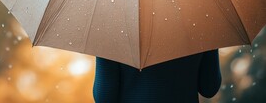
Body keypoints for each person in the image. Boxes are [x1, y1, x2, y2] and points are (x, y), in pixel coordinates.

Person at [93, 50, 221, 103]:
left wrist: (101, 51)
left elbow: (104, 97)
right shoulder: (199, 15)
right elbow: (209, 87)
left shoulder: (115, 20)